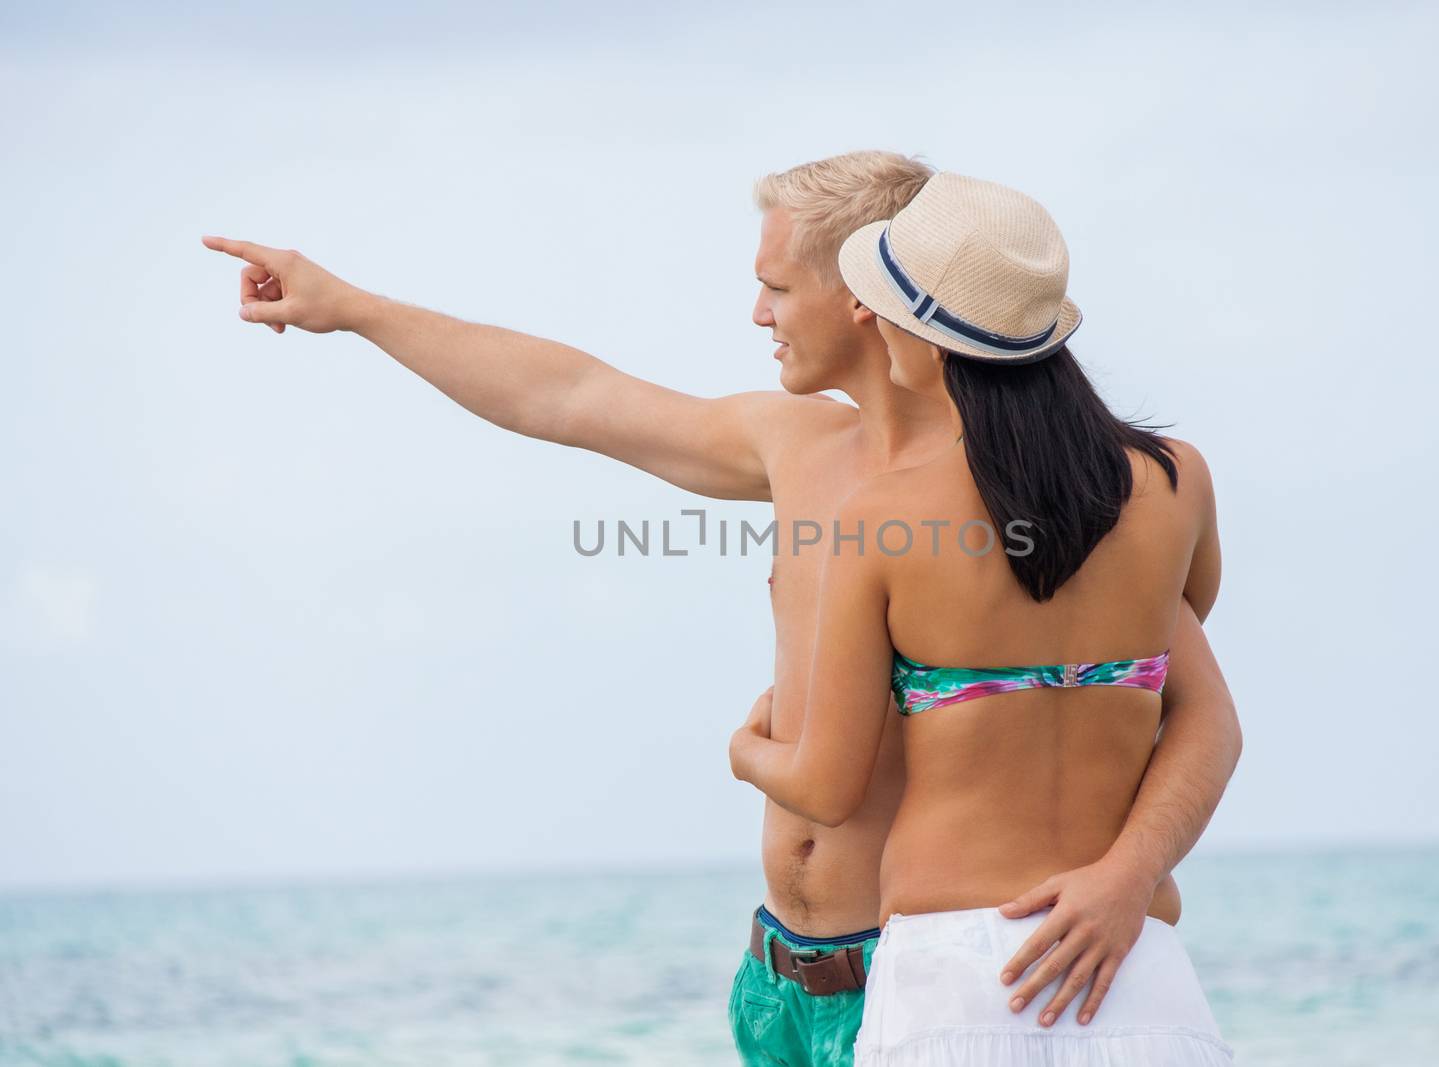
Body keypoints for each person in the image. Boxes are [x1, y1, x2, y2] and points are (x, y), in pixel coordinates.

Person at [200, 152, 1240, 1067]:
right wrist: (355, 307)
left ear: (862, 294)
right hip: (783, 975)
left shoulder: (1051, 493)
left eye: (775, 285)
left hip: (939, 962)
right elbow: (565, 395)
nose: (757, 313)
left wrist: (1130, 871)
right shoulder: (798, 447)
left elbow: (1176, 698)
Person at [727, 172, 1236, 1065]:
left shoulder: (879, 519)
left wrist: (746, 747)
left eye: (881, 306)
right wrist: (1127, 875)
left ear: (923, 339)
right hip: (1130, 962)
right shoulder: (1174, 480)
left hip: (951, 979)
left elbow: (828, 783)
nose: (873, 322)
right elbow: (1199, 705)